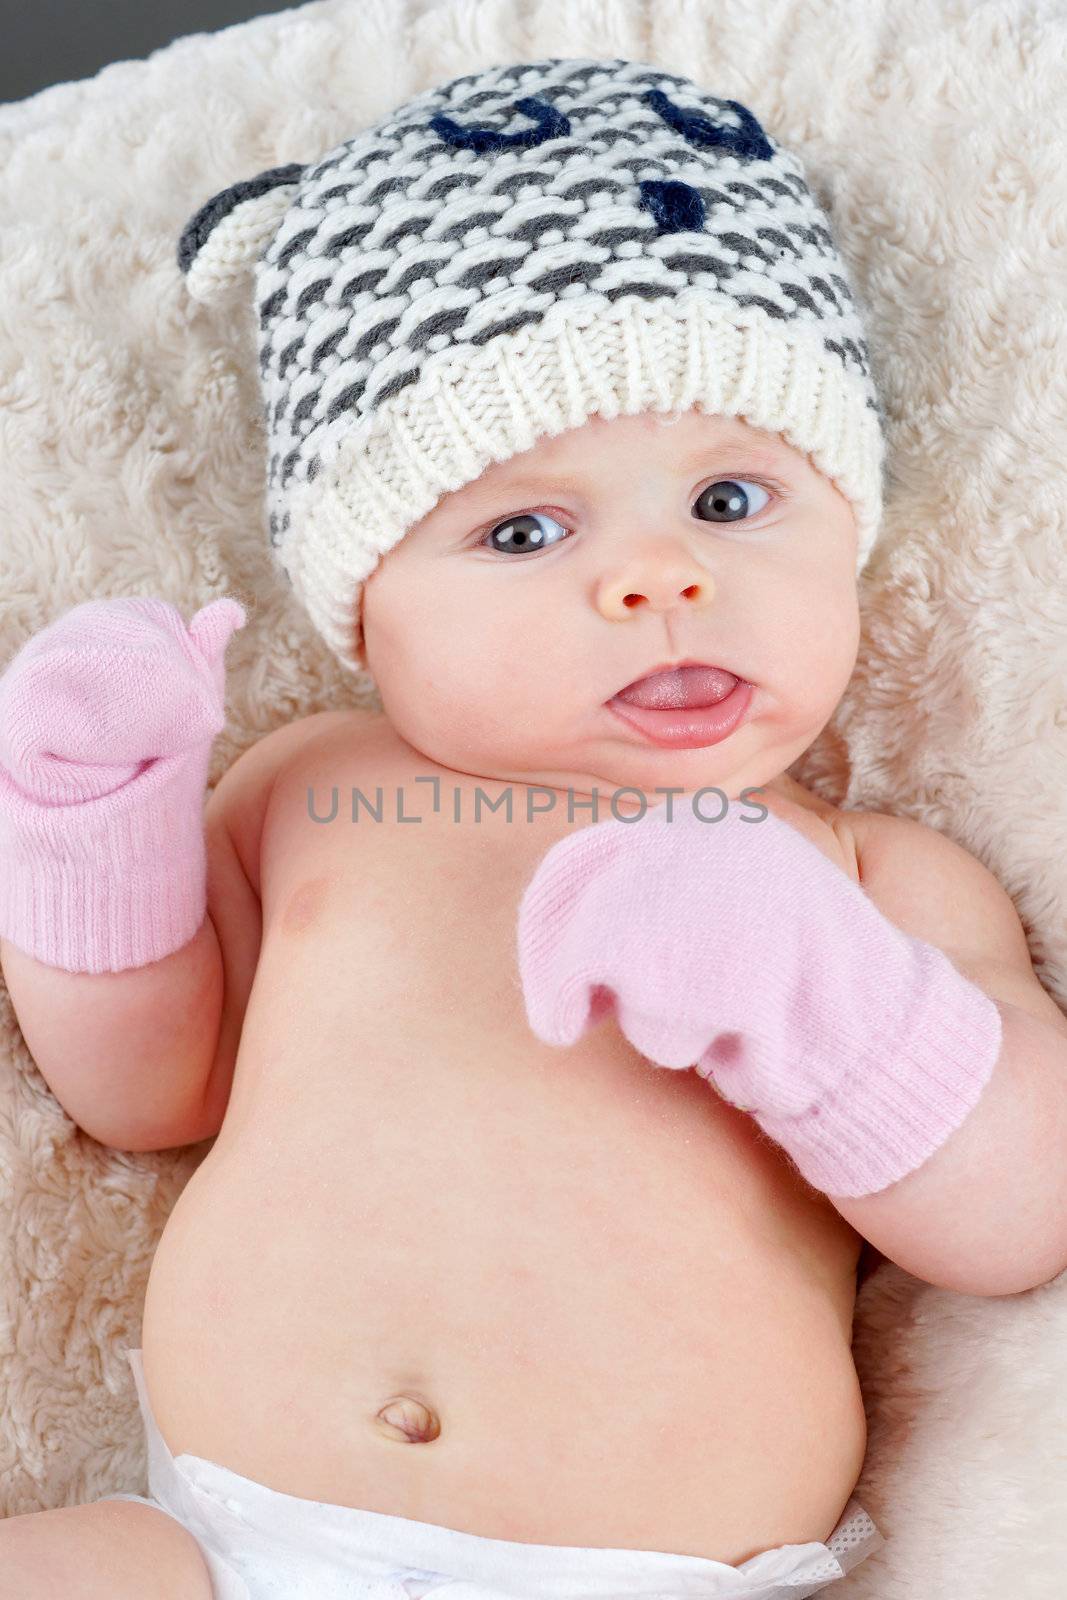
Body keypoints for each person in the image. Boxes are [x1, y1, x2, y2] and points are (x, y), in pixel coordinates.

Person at [4, 55, 1065, 1600]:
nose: (656, 580)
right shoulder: (315, 791)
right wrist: (87, 810)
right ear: (368, 615)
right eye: (521, 531)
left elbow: (1020, 1214)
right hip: (218, 1550)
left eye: (729, 501)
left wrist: (812, 995)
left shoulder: (862, 875)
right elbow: (146, 1088)